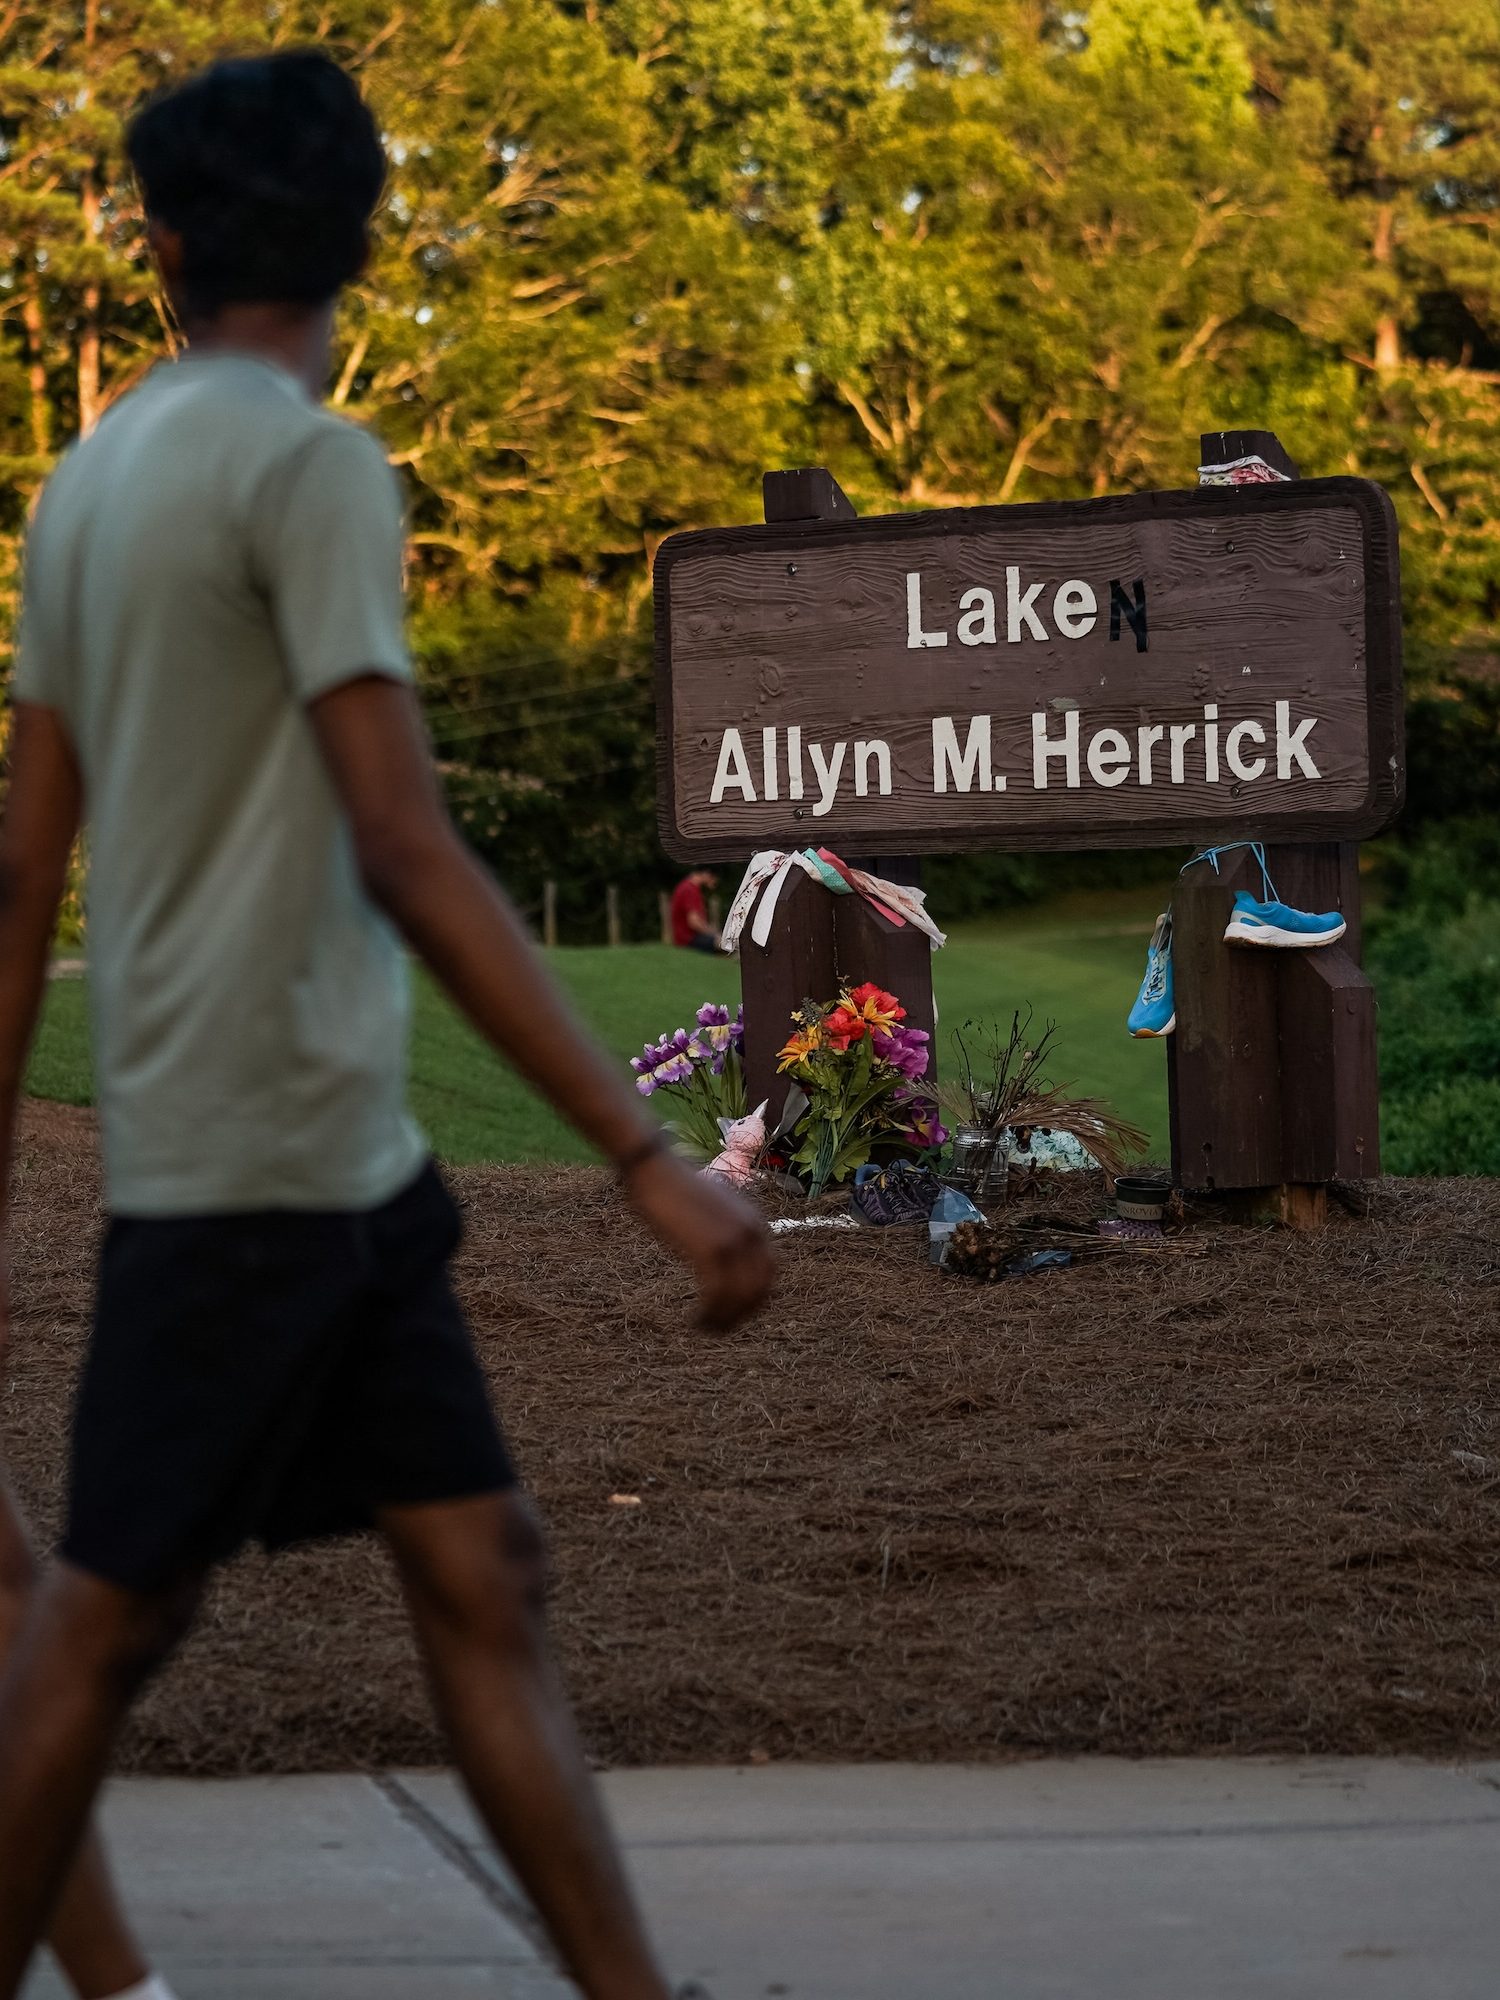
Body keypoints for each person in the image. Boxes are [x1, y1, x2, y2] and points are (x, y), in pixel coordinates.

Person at [0, 50, 773, 2000]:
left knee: (480, 1563)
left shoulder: (85, 487)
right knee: (94, 1635)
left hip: (339, 1166)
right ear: (356, 235)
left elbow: (20, 880)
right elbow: (407, 843)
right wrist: (645, 1158)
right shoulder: (311, 465)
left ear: (166, 247)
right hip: (257, 1168)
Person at [670, 868, 720, 953]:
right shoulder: (690, 890)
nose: (715, 882)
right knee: (724, 944)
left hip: (686, 938)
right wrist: (713, 934)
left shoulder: (686, 886)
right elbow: (694, 923)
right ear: (707, 874)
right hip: (688, 940)